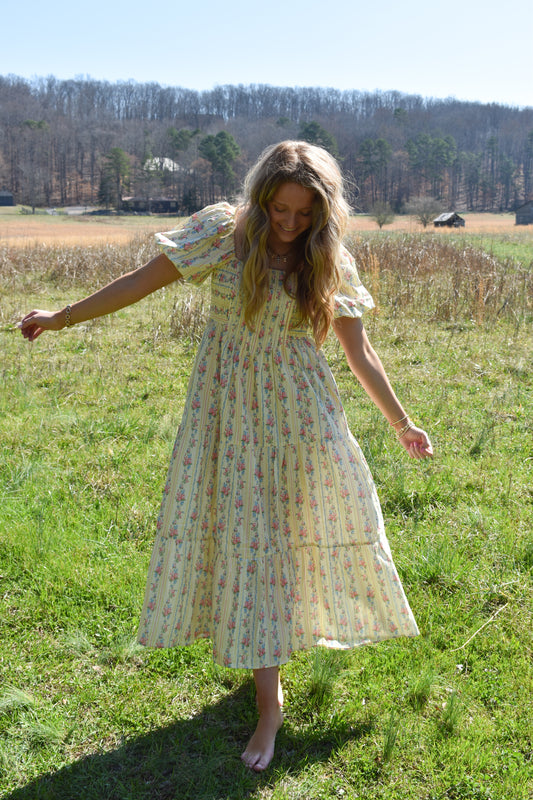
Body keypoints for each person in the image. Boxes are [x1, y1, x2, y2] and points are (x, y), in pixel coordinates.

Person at [19, 140, 433, 772]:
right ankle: (270, 699)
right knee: (250, 542)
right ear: (260, 197)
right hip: (227, 414)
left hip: (298, 415)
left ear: (323, 213)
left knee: (282, 540)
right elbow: (140, 282)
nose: (290, 225)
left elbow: (359, 351)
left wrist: (402, 423)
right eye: (279, 210)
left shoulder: (328, 258)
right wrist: (61, 318)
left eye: (304, 214)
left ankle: (269, 693)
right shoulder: (222, 231)